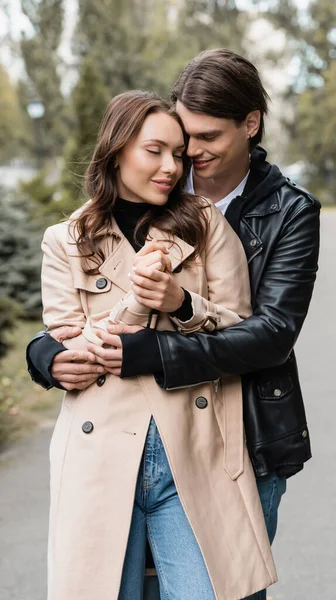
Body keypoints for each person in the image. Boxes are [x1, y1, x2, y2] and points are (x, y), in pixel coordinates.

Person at [27, 49, 321, 600]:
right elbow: (69, 325)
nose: (184, 161)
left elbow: (270, 331)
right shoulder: (80, 230)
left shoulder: (280, 212)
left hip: (232, 433)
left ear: (249, 125)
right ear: (120, 153)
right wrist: (44, 355)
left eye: (199, 142)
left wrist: (165, 330)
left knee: (221, 587)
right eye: (170, 145)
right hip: (110, 442)